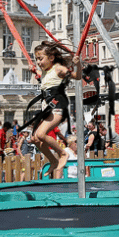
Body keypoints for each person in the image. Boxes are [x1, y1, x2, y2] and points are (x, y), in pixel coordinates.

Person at [27, 40, 81, 179]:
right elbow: (42, 73)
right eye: (37, 59)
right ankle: (53, 160)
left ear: (51, 58)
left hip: (57, 107)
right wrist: (34, 70)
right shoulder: (46, 72)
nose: (39, 62)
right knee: (35, 139)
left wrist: (77, 64)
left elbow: (77, 76)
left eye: (41, 59)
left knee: (40, 134)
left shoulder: (58, 68)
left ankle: (63, 153)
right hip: (47, 108)